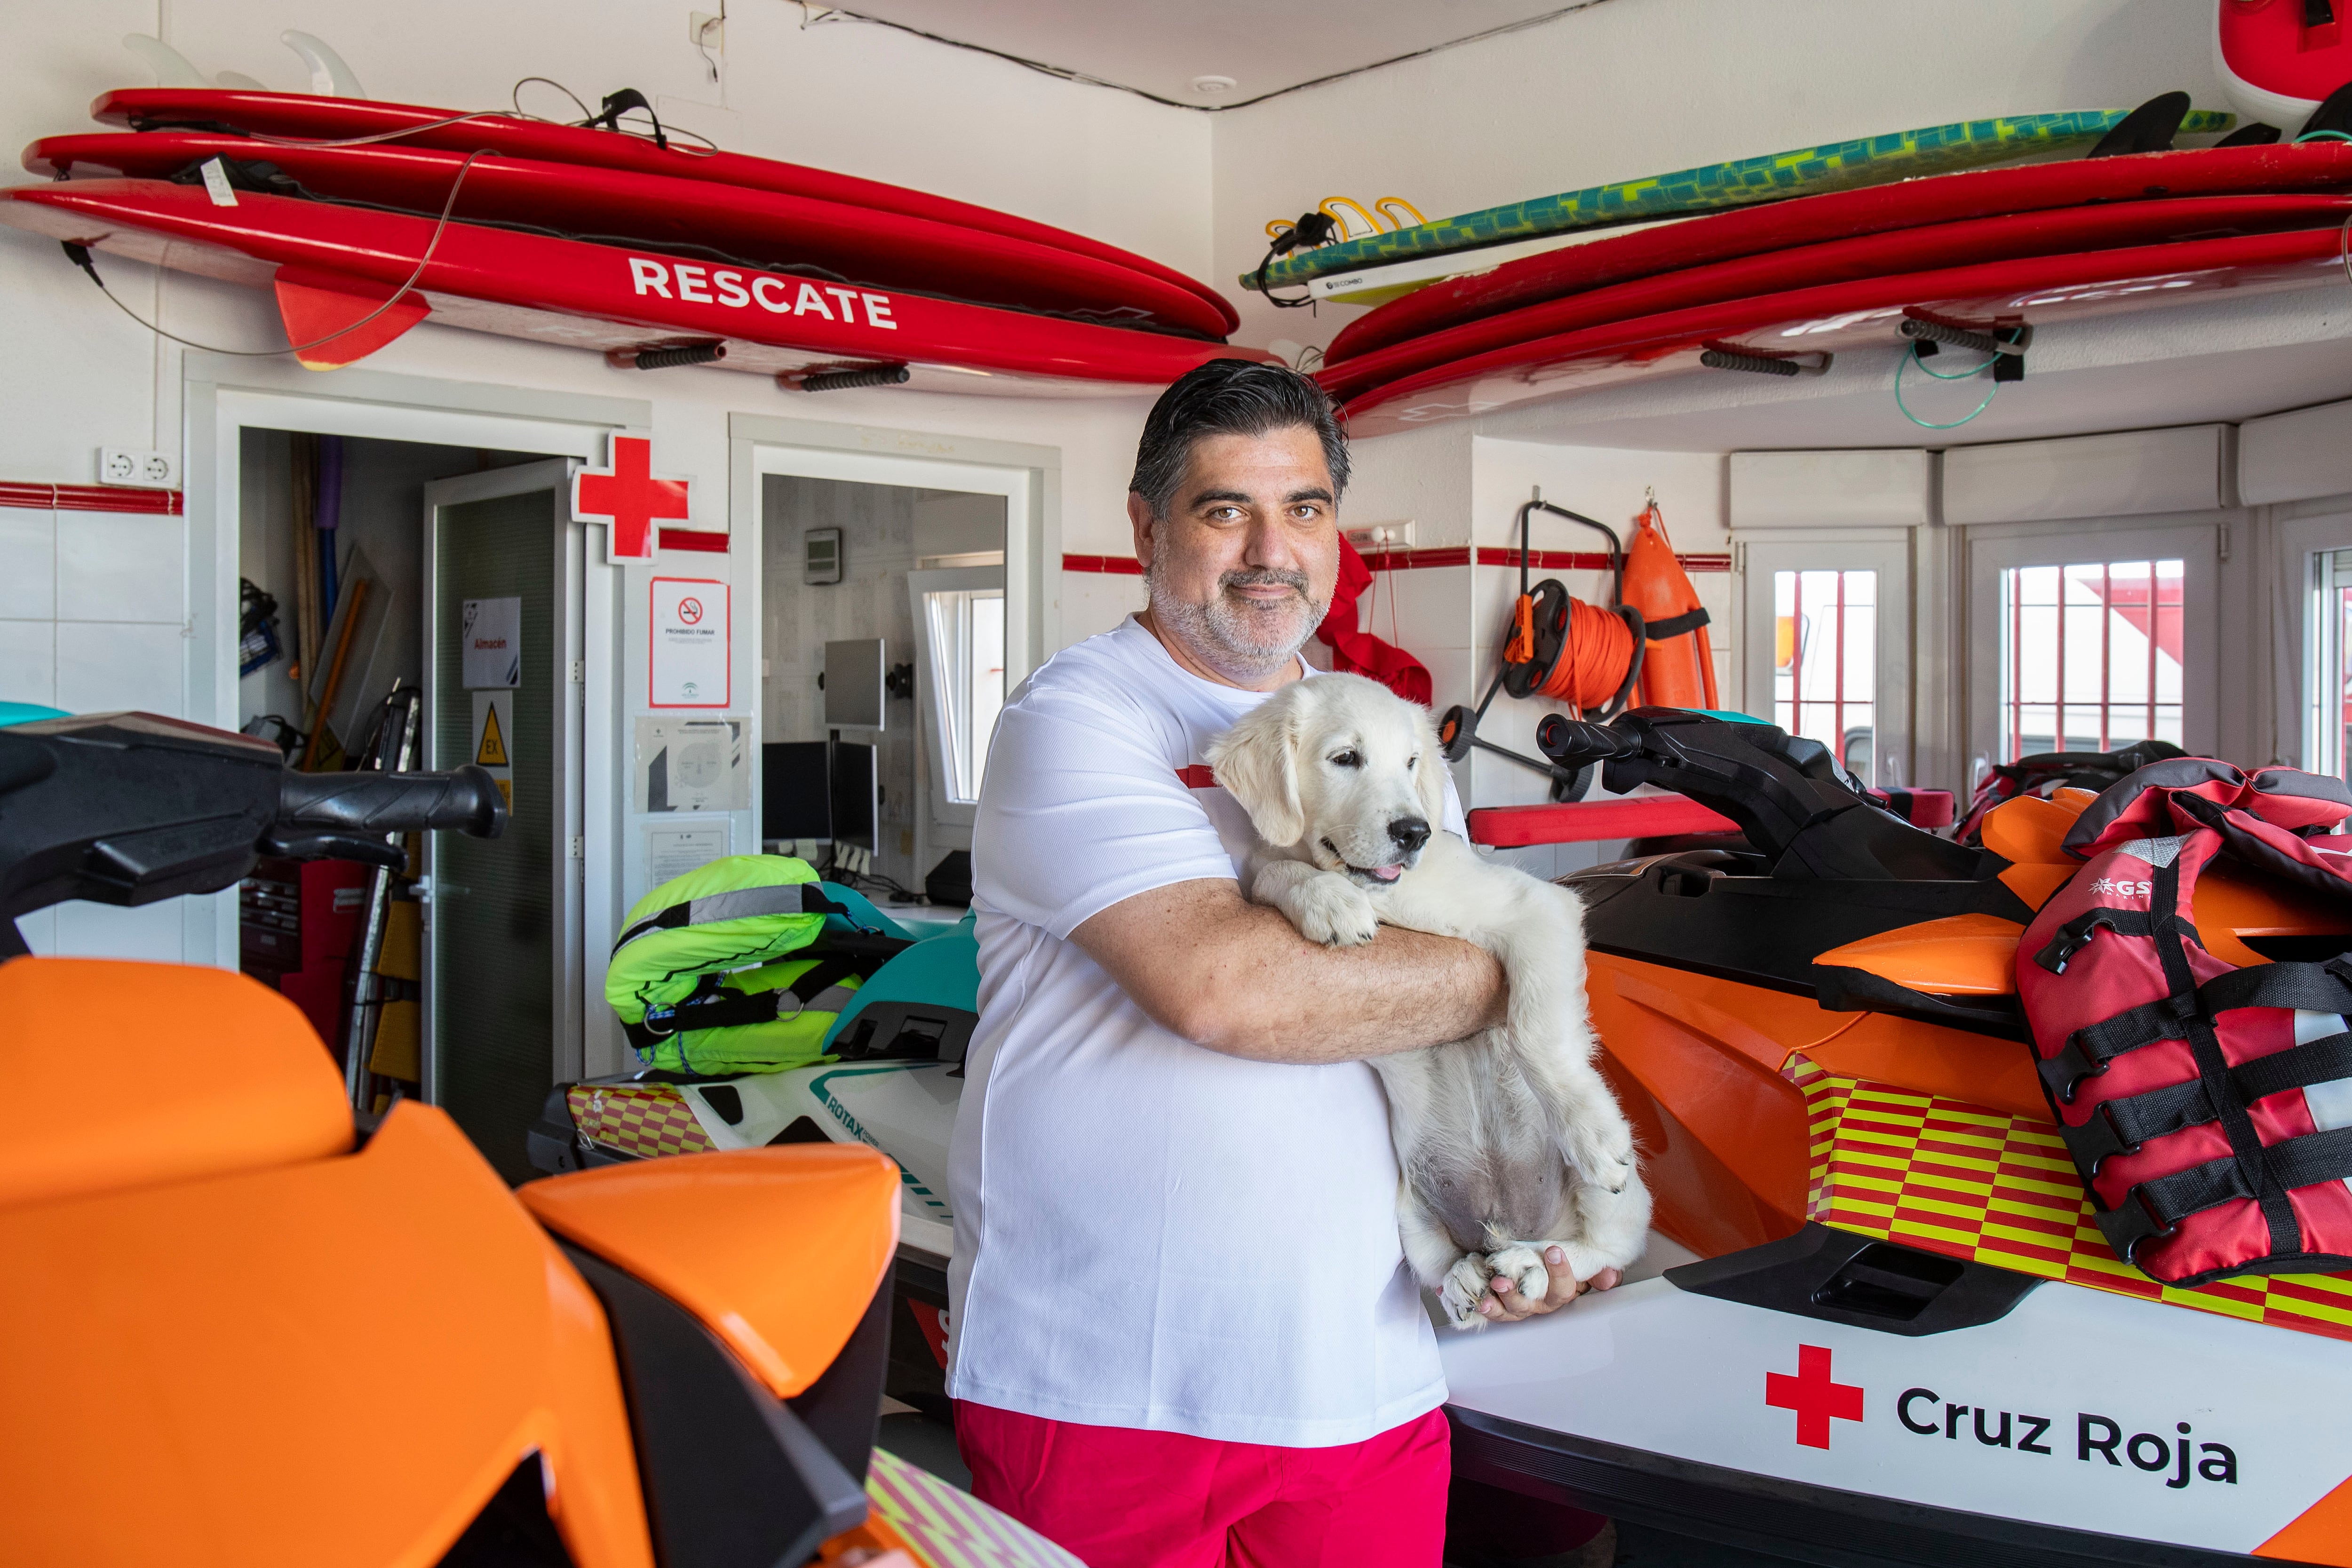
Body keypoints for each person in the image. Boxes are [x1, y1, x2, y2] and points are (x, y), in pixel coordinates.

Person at [946, 360, 1616, 1568]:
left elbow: (1458, 1006)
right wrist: (1510, 965)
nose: (1273, 549)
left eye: (1304, 509)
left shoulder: (1385, 732)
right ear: (1145, 525)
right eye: (1225, 510)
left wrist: (1545, 1216)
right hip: (1108, 1380)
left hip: (1360, 1367)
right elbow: (1229, 991)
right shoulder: (1080, 718)